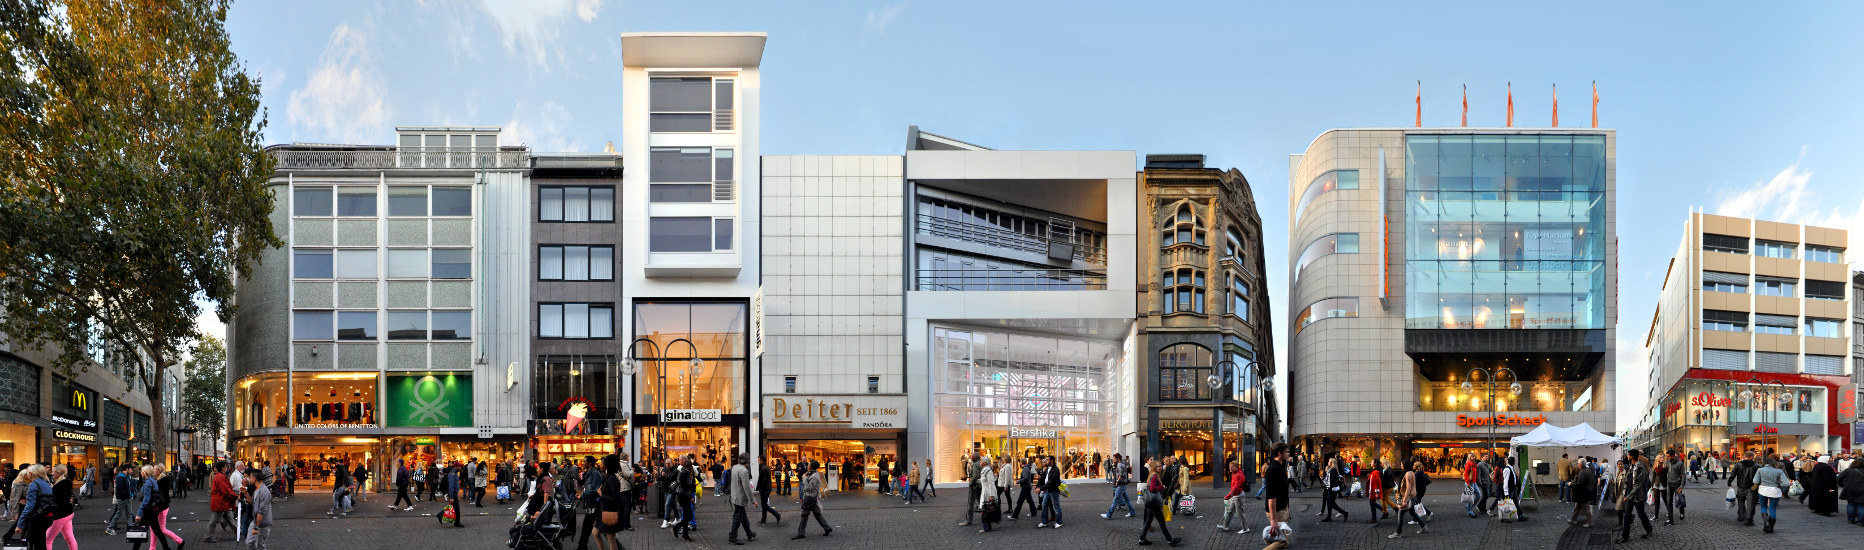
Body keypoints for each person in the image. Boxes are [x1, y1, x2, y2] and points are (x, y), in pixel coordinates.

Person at [135, 464, 184, 550]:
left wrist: (156, 507)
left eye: (155, 469)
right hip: (155, 508)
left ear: (160, 470)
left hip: (160, 508)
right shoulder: (154, 480)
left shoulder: (163, 480)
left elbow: (163, 497)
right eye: (153, 469)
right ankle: (154, 548)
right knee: (154, 530)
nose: (153, 471)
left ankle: (179, 541)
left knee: (160, 530)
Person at [1133, 457, 1177, 546]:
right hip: (1154, 503)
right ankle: (1170, 540)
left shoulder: (1153, 474)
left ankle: (1142, 539)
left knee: (1148, 521)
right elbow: (1152, 489)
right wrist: (1162, 487)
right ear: (1154, 467)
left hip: (1150, 503)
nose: (1161, 467)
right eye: (1159, 466)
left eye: (1161, 466)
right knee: (1161, 522)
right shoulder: (1155, 476)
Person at [1616, 450, 1653, 543]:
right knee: (1627, 515)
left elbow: (1638, 484)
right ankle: (1625, 536)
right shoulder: (1630, 466)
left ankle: (1649, 530)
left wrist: (1629, 495)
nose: (1627, 456)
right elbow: (1627, 481)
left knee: (1641, 514)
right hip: (1629, 494)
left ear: (1631, 456)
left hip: (1637, 495)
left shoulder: (1641, 467)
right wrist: (1625, 492)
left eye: (1628, 455)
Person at [790, 462, 831, 540]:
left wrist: (804, 478)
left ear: (811, 467)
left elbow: (808, 488)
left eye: (809, 464)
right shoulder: (812, 474)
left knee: (804, 514)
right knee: (817, 514)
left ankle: (801, 533)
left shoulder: (814, 477)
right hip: (813, 498)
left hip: (811, 498)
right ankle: (827, 527)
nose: (808, 465)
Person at [1389, 461, 1427, 539]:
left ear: (1405, 465)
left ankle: (1398, 533)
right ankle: (1423, 526)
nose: (1401, 465)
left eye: (1402, 464)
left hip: (1407, 497)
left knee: (1400, 514)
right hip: (1411, 496)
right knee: (1412, 512)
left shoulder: (1408, 474)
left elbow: (1408, 487)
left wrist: (1404, 500)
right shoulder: (1411, 472)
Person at [1263, 443, 1291, 541]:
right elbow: (1271, 496)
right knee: (1281, 543)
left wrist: (1286, 506)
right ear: (1279, 453)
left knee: (1282, 541)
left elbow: (1283, 490)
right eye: (1286, 452)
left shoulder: (1281, 466)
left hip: (1282, 509)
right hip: (1277, 512)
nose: (1288, 454)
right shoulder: (1273, 469)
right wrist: (1274, 520)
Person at [1753, 454, 1787, 533]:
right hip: (1775, 490)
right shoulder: (1779, 471)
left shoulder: (1760, 470)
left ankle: (1766, 522)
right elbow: (1786, 483)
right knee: (1772, 508)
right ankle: (1771, 526)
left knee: (1763, 506)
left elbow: (1755, 481)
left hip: (1763, 490)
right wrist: (1779, 485)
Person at [206, 462, 236, 543]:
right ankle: (209, 536)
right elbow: (226, 490)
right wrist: (235, 496)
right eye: (226, 467)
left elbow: (226, 490)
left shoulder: (220, 476)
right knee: (214, 520)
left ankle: (238, 532)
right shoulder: (220, 477)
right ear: (223, 468)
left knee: (229, 518)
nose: (227, 468)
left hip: (221, 502)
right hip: (220, 503)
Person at [1217, 457, 1249, 532]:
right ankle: (1225, 525)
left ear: (1237, 467)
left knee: (1240, 513)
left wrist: (1228, 496)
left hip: (1238, 496)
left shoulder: (1238, 475)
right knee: (1230, 511)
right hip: (1236, 495)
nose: (1230, 468)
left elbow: (1236, 488)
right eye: (1230, 467)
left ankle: (1245, 528)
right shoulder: (1234, 474)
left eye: (1232, 467)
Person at [1729, 450, 1759, 526]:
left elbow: (1733, 474)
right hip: (1752, 487)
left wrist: (1729, 482)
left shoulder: (1739, 464)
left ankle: (1742, 516)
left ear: (1745, 456)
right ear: (1751, 457)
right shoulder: (1756, 465)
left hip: (1741, 486)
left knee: (1741, 501)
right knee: (1751, 503)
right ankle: (1749, 518)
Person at [1100, 453, 1132, 520]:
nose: (1113, 459)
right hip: (1123, 484)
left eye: (1114, 458)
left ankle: (1109, 515)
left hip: (1121, 484)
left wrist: (1117, 481)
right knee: (1126, 499)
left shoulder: (1119, 465)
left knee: (1116, 499)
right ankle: (1132, 512)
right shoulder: (1120, 464)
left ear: (1118, 459)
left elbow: (1121, 474)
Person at [1568, 456, 1597, 528]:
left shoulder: (1583, 472)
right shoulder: (1587, 470)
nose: (1577, 464)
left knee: (1586, 508)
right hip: (1585, 492)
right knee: (1577, 507)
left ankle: (1590, 522)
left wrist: (1571, 484)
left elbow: (1580, 483)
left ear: (1580, 464)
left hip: (1583, 493)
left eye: (1578, 463)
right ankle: (1573, 519)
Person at [1036, 454, 1063, 529]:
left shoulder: (1055, 470)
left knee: (1056, 507)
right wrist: (1040, 476)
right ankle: (1044, 522)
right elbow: (1045, 478)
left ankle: (1059, 522)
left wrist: (1041, 489)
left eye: (1047, 460)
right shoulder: (1048, 468)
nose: (1046, 461)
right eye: (1046, 460)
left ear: (1052, 461)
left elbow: (1051, 482)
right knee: (1044, 505)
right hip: (1047, 490)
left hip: (1053, 490)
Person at [1320, 457, 1350, 522]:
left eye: (1329, 461)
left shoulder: (1333, 470)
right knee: (1329, 503)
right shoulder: (1332, 469)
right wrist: (1323, 479)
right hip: (1331, 489)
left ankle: (1344, 513)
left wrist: (1329, 488)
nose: (1328, 463)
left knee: (1331, 503)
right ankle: (1329, 517)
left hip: (1332, 489)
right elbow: (1329, 480)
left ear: (1331, 463)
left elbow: (1332, 480)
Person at [957, 450, 980, 527]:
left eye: (972, 456)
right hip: (979, 486)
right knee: (980, 501)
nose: (971, 457)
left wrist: (970, 483)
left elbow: (975, 476)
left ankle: (968, 520)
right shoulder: (979, 463)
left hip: (974, 486)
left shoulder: (975, 465)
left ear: (975, 457)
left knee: (970, 503)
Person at [976, 457, 1000, 533]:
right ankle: (987, 527)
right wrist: (976, 481)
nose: (980, 461)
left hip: (988, 493)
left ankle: (986, 527)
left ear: (985, 463)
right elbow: (984, 481)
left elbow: (991, 483)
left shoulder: (988, 471)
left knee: (986, 511)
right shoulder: (984, 471)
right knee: (987, 510)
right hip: (985, 492)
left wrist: (991, 495)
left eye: (981, 460)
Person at [1839, 456, 1864, 526]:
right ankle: (1861, 521)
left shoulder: (1848, 470)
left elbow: (1838, 478)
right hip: (1862, 490)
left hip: (1850, 489)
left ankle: (1851, 519)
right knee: (1861, 505)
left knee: (1851, 504)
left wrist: (1843, 484)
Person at [1363, 459, 1385, 525]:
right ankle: (1383, 510)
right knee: (1372, 503)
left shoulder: (1375, 472)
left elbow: (1377, 483)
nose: (1371, 463)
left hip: (1373, 491)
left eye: (1372, 462)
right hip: (1372, 491)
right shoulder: (1375, 472)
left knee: (1372, 504)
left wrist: (1376, 492)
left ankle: (1374, 518)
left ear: (1375, 464)